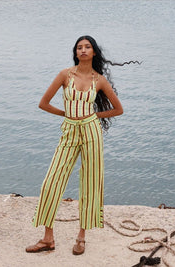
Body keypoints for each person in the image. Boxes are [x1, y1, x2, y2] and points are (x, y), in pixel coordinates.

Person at [26, 35, 137, 255]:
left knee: (90, 183)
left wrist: (94, 117)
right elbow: (43, 103)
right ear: (76, 52)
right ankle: (48, 238)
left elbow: (118, 109)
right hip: (69, 131)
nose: (83, 50)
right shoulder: (65, 75)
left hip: (91, 132)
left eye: (87, 47)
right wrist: (65, 114)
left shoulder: (100, 80)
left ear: (94, 52)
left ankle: (81, 237)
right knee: (51, 181)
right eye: (79, 47)